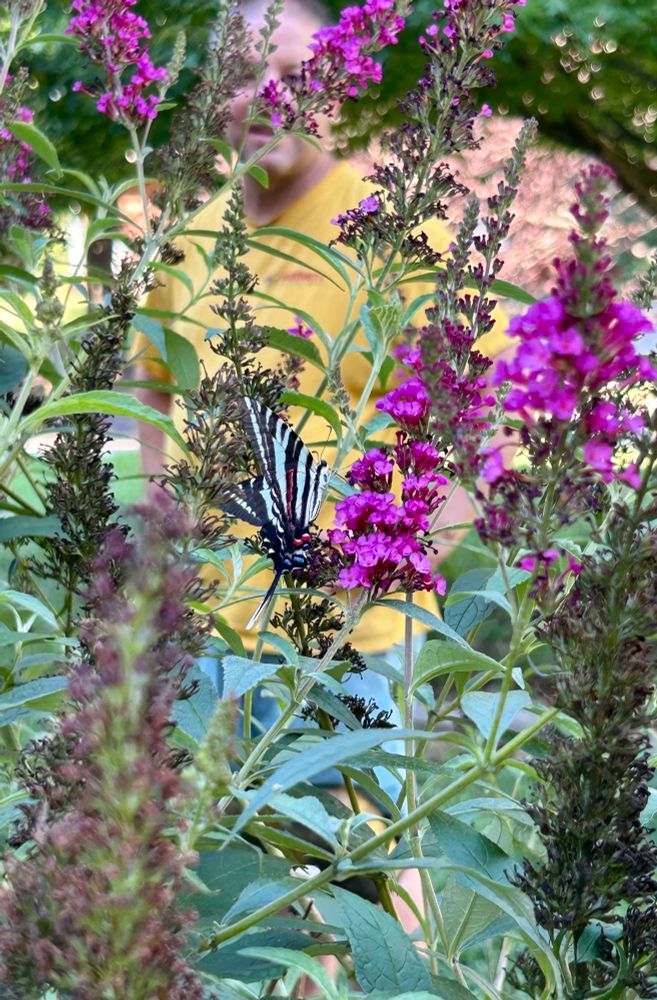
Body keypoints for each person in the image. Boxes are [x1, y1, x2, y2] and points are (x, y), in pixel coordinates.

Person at [132, 0, 508, 934]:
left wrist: (419, 556)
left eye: (292, 75)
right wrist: (153, 527)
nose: (267, 97)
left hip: (361, 626)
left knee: (369, 872)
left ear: (335, 83)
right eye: (243, 75)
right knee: (221, 873)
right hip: (216, 621)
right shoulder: (191, 232)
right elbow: (150, 385)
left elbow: (475, 410)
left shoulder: (391, 224)